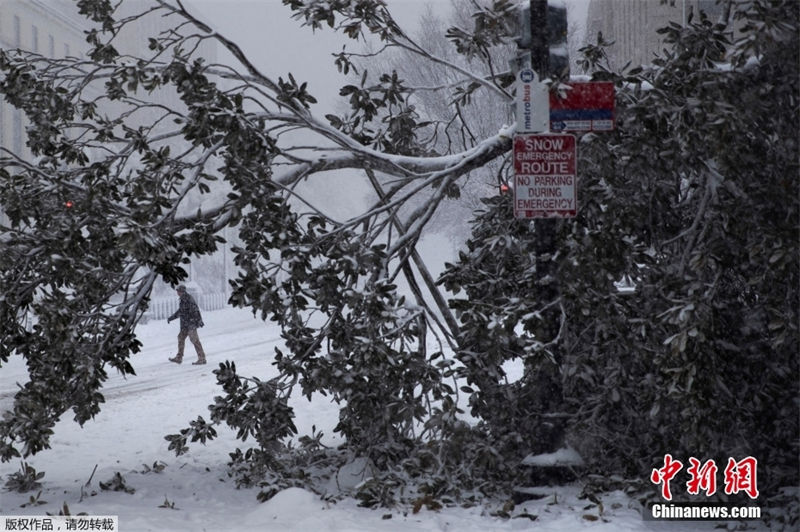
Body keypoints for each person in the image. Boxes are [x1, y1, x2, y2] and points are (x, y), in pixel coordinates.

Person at [167, 285, 207, 365]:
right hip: (185, 324)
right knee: (181, 338)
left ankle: (202, 358)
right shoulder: (183, 299)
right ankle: (179, 357)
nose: (177, 292)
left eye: (178, 291)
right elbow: (181, 312)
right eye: (177, 291)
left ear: (182, 291)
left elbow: (195, 310)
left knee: (195, 340)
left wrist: (197, 321)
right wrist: (171, 318)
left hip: (191, 324)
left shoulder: (188, 299)